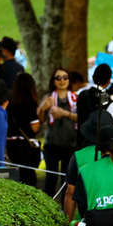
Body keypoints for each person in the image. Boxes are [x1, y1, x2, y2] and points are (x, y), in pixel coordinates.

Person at [39, 67, 78, 196]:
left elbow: (81, 117)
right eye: (58, 78)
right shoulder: (48, 97)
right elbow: (40, 120)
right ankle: (47, 208)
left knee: (67, 180)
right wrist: (43, 108)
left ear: (69, 80)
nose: (62, 80)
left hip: (70, 143)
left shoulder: (75, 98)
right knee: (51, 177)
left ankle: (65, 210)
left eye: (65, 77)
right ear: (53, 81)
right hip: (52, 143)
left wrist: (65, 113)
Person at [5, 73, 41, 188]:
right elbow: (34, 127)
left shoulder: (10, 102)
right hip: (25, 146)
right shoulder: (30, 102)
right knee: (28, 178)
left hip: (11, 143)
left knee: (15, 176)